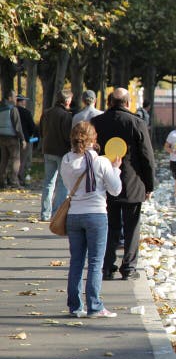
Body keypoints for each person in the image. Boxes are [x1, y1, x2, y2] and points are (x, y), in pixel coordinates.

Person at [92, 88, 157, 280]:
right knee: (132, 227)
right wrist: (149, 185)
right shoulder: (137, 123)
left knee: (109, 226)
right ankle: (128, 267)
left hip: (103, 182)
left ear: (110, 102)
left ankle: (107, 266)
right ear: (128, 103)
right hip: (132, 183)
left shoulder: (97, 122)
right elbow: (147, 157)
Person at [61, 122, 122, 318]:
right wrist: (116, 169)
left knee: (76, 261)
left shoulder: (67, 160)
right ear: (93, 138)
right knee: (96, 262)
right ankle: (94, 306)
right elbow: (115, 189)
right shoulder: (100, 161)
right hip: (96, 214)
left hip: (74, 215)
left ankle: (75, 306)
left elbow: (66, 184)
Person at [39, 90, 73, 220]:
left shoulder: (46, 113)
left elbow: (41, 131)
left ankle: (45, 213)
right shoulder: (66, 116)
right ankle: (57, 213)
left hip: (47, 150)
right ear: (67, 101)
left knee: (48, 182)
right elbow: (67, 136)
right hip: (61, 152)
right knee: (62, 183)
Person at [0, 90, 25, 189]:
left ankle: (2, 181)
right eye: (14, 97)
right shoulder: (13, 109)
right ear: (9, 98)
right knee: (15, 160)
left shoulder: (1, 108)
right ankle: (14, 181)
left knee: (4, 160)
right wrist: (22, 139)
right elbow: (17, 126)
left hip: (1, 137)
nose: (16, 99)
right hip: (12, 138)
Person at [15, 94, 36, 186]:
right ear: (22, 101)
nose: (25, 102)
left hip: (12, 138)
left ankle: (9, 177)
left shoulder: (11, 111)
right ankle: (20, 178)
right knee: (22, 160)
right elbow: (32, 126)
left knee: (12, 159)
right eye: (24, 100)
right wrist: (30, 135)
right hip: (25, 138)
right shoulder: (26, 112)